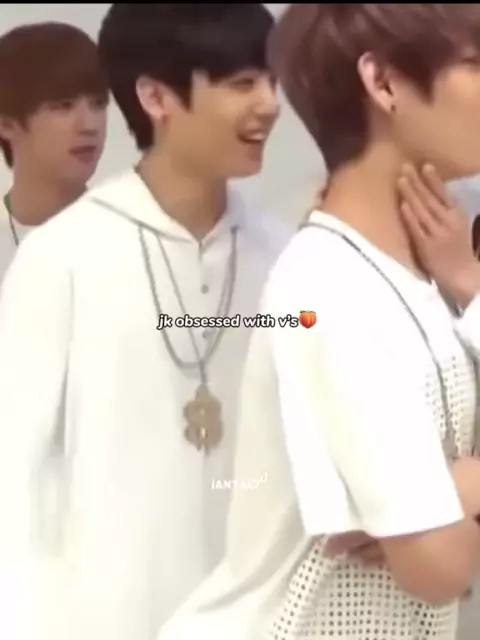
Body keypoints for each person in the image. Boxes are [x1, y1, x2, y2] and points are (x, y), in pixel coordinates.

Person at [157, 5, 480, 640]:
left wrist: (448, 492)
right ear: (383, 83)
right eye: (474, 63)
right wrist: (450, 496)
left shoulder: (416, 272)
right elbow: (439, 568)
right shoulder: (329, 287)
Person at [0, 4, 290, 640]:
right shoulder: (62, 257)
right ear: (156, 97)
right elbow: (13, 480)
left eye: (272, 80)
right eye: (242, 83)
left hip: (255, 616)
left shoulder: (281, 256)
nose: (269, 104)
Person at [0, 22, 108, 281]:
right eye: (63, 106)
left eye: (98, 104)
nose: (89, 125)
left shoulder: (134, 239)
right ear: (6, 124)